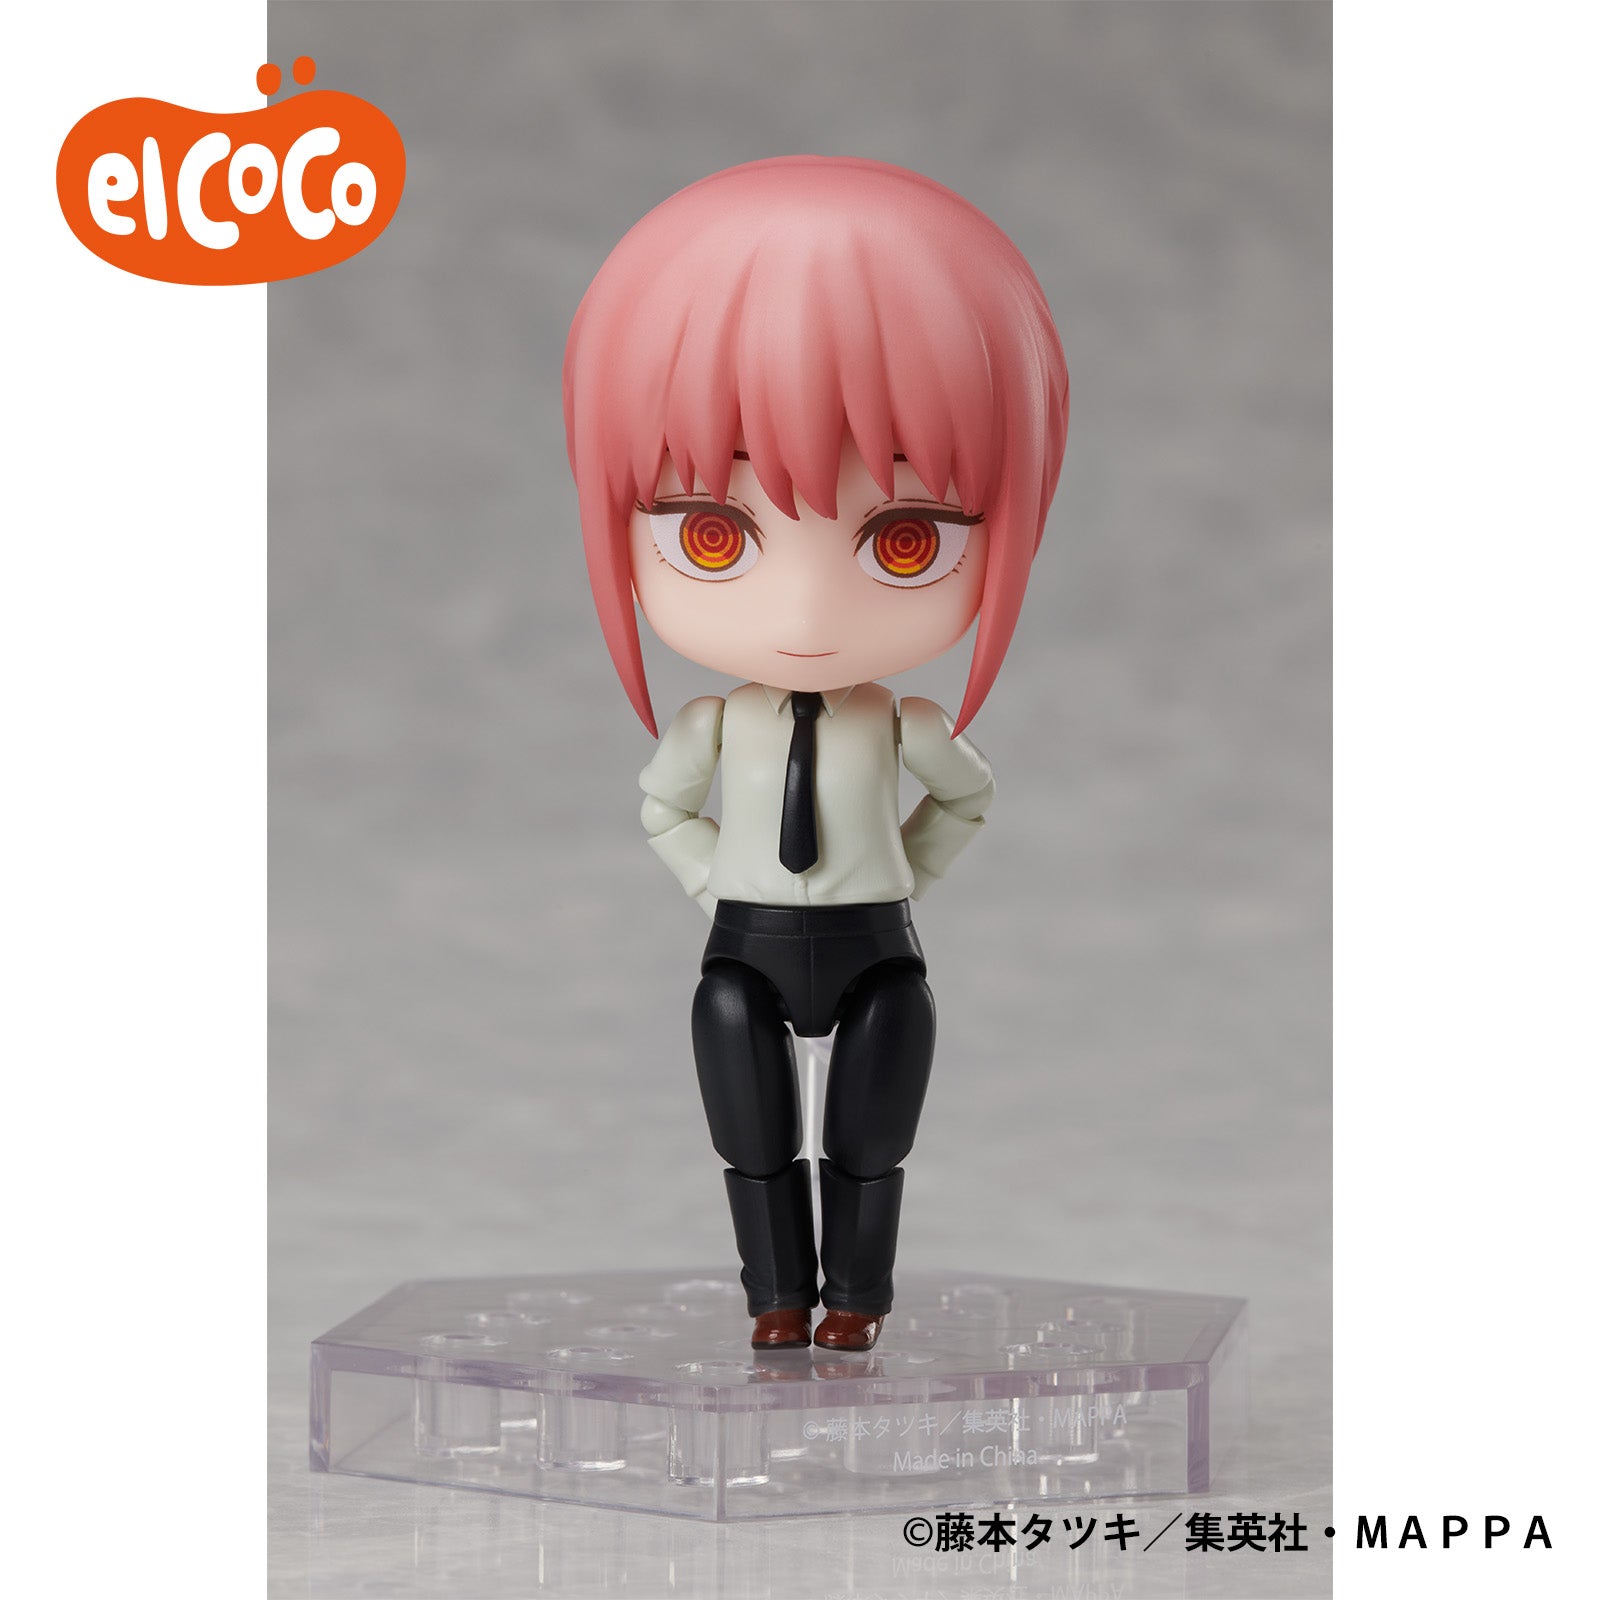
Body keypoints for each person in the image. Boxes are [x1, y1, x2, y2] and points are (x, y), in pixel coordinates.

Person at [563, 157, 1068, 1350]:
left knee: (868, 1144)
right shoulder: (713, 726)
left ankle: (859, 1299)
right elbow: (663, 810)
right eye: (711, 532)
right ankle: (776, 1295)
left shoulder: (903, 727)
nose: (802, 614)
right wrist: (718, 884)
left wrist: (897, 875)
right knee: (750, 1141)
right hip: (742, 945)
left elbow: (965, 801)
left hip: (874, 947)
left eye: (904, 541)